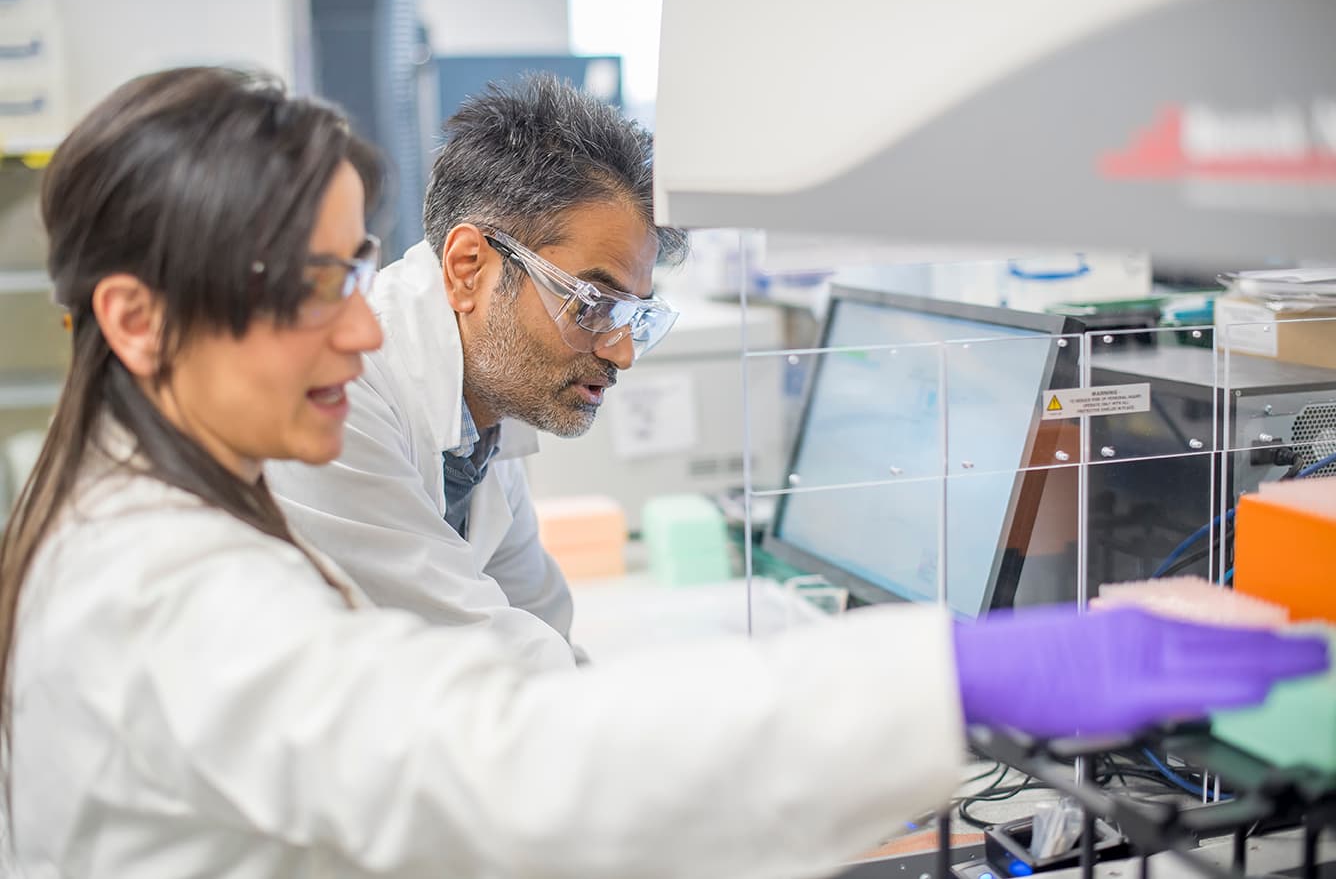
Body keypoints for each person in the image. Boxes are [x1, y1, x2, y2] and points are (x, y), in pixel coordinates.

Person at [0, 66, 1325, 879]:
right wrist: (952, 677)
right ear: (135, 320)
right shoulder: (167, 588)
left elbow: (533, 660)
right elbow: (502, 756)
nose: (357, 320)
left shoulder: (297, 448)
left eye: (353, 276)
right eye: (307, 289)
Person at [265, 74, 688, 670]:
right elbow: (477, 654)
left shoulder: (481, 414)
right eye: (593, 305)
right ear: (468, 268)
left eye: (636, 319)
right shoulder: (347, 388)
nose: (621, 353)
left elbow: (539, 624)